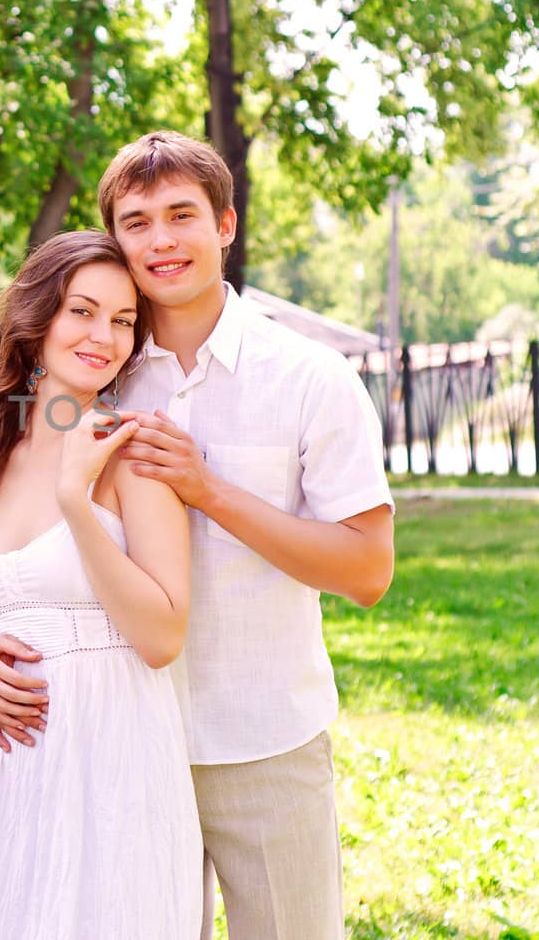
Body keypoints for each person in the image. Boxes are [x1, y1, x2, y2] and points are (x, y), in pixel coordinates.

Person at [100, 129, 396, 939]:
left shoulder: (309, 378)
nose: (160, 240)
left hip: (267, 739)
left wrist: (208, 491)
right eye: (136, 222)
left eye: (181, 215)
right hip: (131, 741)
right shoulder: (97, 379)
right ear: (115, 240)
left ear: (225, 225)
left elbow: (369, 569)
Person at [0, 230, 203, 939]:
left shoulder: (131, 449)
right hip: (13, 767)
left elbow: (162, 636)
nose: (105, 336)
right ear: (36, 321)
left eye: (124, 320)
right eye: (83, 312)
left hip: (118, 755)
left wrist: (76, 500)